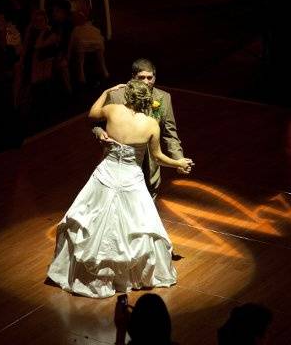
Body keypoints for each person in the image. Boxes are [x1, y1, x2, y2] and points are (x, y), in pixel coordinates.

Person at [47, 80, 194, 298]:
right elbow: (157, 157)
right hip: (131, 178)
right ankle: (129, 275)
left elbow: (92, 114)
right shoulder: (151, 125)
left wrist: (106, 91)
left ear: (127, 97)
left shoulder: (113, 110)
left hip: (106, 173)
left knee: (92, 220)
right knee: (138, 224)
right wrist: (179, 163)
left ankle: (90, 275)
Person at [93, 59, 185, 199]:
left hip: (150, 164)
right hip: (120, 163)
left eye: (150, 77)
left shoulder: (164, 98)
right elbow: (95, 121)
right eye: (141, 77)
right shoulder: (116, 96)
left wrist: (179, 159)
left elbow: (170, 133)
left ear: (155, 77)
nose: (146, 81)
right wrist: (99, 133)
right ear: (133, 77)